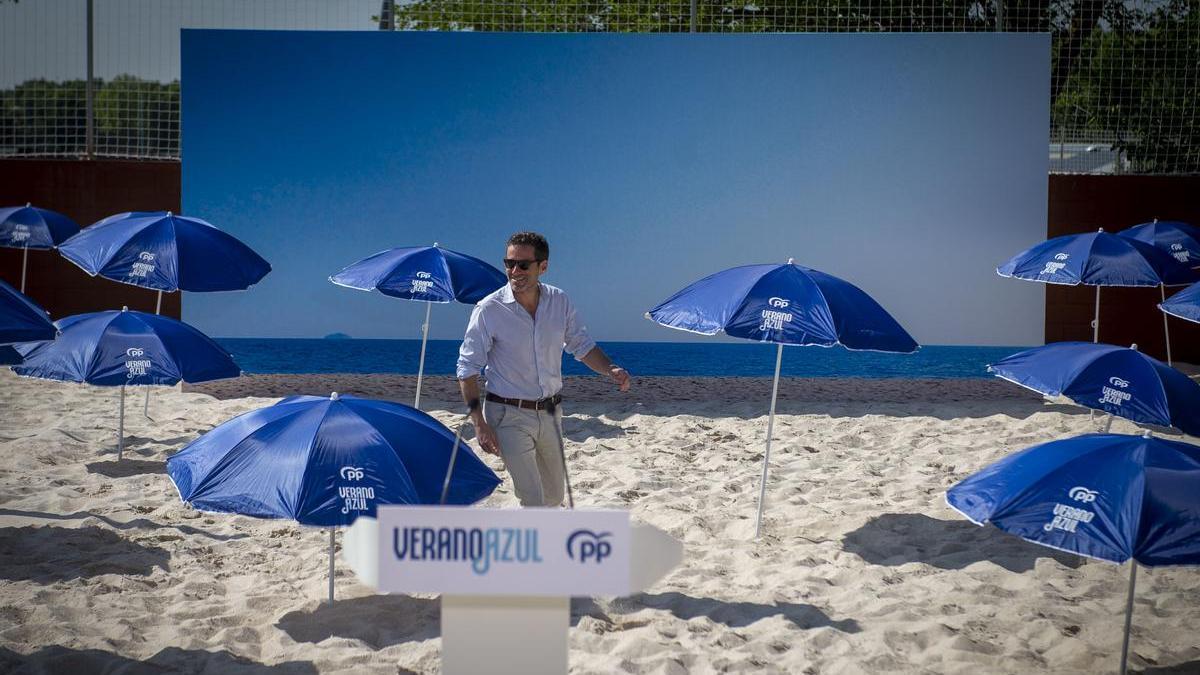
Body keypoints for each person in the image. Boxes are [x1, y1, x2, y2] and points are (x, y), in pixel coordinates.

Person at [456, 231, 631, 507]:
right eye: (509, 263)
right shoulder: (489, 309)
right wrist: (479, 424)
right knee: (533, 499)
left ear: (543, 266)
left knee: (554, 496)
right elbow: (467, 368)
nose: (514, 271)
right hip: (507, 415)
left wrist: (610, 369)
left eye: (523, 264)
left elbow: (581, 345)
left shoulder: (559, 301)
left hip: (550, 414)